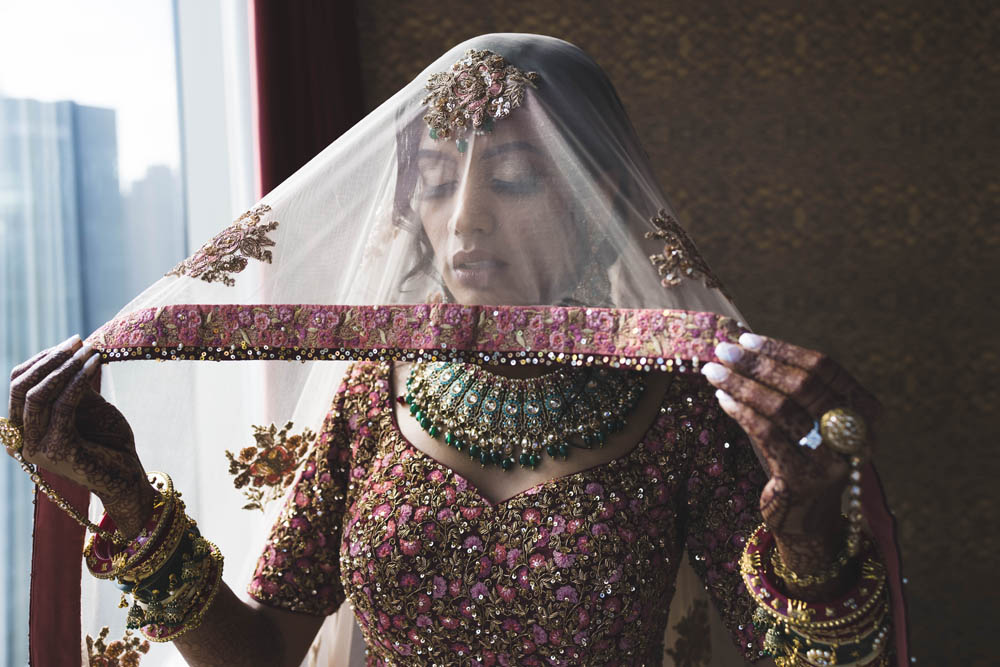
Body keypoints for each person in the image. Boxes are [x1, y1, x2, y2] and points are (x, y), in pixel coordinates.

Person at [3, 34, 908, 666]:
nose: (466, 221)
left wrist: (811, 521)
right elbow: (265, 653)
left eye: (513, 178)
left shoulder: (673, 408)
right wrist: (126, 496)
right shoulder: (376, 390)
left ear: (601, 212)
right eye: (434, 181)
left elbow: (809, 657)